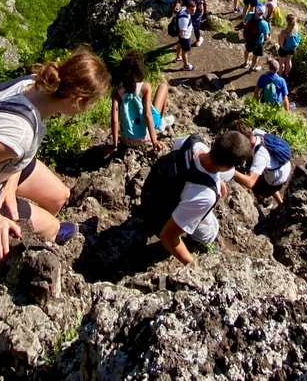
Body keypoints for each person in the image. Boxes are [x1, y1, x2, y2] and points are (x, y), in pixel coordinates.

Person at [0, 49, 111, 263]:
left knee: (60, 195)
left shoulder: (37, 84)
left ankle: (33, 226)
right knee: (54, 228)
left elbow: (17, 148)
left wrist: (11, 182)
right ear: (78, 101)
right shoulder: (18, 134)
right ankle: (26, 249)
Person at [152, 131, 253, 263]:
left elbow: (185, 161)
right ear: (229, 166)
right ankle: (201, 243)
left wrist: (216, 180)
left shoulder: (191, 142)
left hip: (156, 191)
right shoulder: (205, 196)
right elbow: (167, 237)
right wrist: (194, 267)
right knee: (211, 230)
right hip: (161, 216)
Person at [110, 50, 172, 151]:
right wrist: (154, 141)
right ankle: (161, 122)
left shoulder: (116, 93)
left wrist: (115, 145)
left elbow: (114, 120)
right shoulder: (145, 87)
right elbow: (147, 114)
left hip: (128, 140)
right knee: (163, 87)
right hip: (145, 136)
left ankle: (160, 122)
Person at [230, 122, 294, 206]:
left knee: (256, 185)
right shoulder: (257, 133)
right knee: (252, 166)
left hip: (276, 179)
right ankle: (280, 203)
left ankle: (264, 201)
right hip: (282, 167)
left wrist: (231, 171)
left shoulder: (260, 155)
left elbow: (250, 182)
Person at [242, 7, 270, 72]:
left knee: (247, 50)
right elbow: (266, 37)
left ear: (256, 10)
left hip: (249, 39)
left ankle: (246, 63)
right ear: (263, 13)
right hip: (258, 43)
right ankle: (252, 68)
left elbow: (244, 21)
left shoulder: (250, 15)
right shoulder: (264, 23)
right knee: (255, 56)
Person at [175, 0, 196, 71]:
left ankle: (178, 56)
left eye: (194, 10)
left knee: (180, 44)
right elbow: (182, 32)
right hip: (185, 37)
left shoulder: (183, 9)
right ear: (187, 8)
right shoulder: (184, 20)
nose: (193, 12)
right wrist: (183, 39)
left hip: (182, 38)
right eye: (192, 10)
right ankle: (186, 66)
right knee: (185, 51)